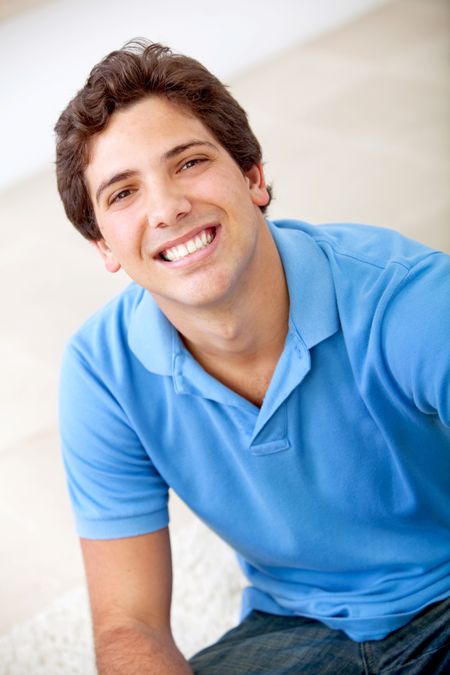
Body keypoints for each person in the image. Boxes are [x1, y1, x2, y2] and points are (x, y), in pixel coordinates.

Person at [55, 39, 450, 674]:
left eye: (188, 163)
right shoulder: (101, 373)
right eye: (122, 193)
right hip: (298, 625)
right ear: (105, 246)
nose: (167, 208)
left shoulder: (411, 302)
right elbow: (129, 626)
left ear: (254, 177)